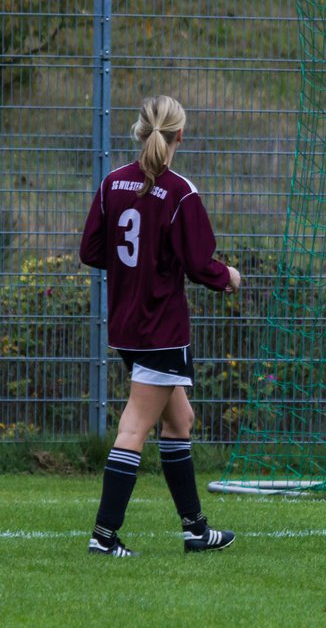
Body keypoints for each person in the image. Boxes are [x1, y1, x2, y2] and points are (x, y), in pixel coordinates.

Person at [79, 95, 242, 557]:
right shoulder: (179, 192)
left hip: (127, 324)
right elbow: (198, 263)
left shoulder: (113, 183)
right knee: (134, 426)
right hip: (161, 329)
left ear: (139, 131)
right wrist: (226, 276)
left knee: (181, 420)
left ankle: (195, 530)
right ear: (179, 136)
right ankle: (104, 536)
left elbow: (91, 251)